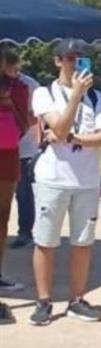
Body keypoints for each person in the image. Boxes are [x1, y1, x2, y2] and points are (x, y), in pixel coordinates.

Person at [28, 38, 101, 326]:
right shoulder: (44, 93)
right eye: (69, 58)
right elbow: (59, 126)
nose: (75, 63)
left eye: (80, 59)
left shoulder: (97, 97)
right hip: (53, 179)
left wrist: (75, 138)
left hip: (87, 181)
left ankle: (77, 299)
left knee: (83, 242)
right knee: (46, 241)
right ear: (57, 61)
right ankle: (43, 301)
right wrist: (75, 96)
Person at [1, 49, 33, 303]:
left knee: (2, 218)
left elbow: (23, 125)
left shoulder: (19, 88)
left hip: (6, 157)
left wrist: (7, 101)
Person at [5, 49, 39, 253]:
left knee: (23, 192)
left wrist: (17, 126)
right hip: (5, 146)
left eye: (16, 68)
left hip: (24, 147)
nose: (14, 72)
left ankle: (25, 232)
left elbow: (37, 116)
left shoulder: (29, 84)